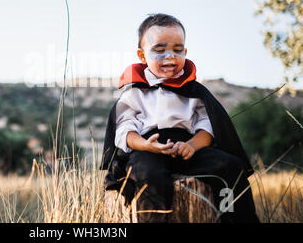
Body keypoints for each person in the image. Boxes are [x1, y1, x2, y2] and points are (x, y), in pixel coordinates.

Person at [100, 13, 259, 223]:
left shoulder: (194, 91)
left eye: (177, 50)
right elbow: (124, 131)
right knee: (147, 173)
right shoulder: (133, 94)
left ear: (185, 51)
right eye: (159, 50)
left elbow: (207, 127)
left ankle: (235, 218)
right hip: (149, 149)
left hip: (188, 149)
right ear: (142, 56)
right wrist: (145, 145)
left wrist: (192, 145)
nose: (170, 57)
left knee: (229, 166)